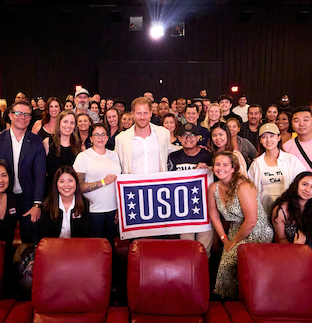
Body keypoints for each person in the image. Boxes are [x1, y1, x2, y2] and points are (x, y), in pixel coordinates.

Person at [208, 152, 274, 299]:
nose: (220, 168)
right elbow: (214, 216)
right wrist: (225, 239)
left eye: (225, 164)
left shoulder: (243, 186)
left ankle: (242, 298)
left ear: (233, 168)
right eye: (217, 164)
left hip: (257, 230)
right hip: (235, 230)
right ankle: (229, 301)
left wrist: (234, 242)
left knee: (229, 263)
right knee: (226, 263)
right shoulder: (213, 188)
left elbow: (251, 221)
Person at [0, 101, 46, 244]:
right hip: (3, 197)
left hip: (28, 200)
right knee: (2, 242)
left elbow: (40, 174)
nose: (22, 117)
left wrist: (37, 204)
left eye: (27, 115)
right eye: (19, 113)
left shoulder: (36, 141)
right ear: (11, 116)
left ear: (30, 118)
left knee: (29, 242)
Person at [166, 123, 214, 254]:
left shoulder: (208, 156)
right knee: (186, 249)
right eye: (184, 136)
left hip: (205, 209)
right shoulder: (173, 157)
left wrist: (209, 169)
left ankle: (204, 274)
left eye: (192, 135)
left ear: (198, 137)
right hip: (183, 210)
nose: (188, 138)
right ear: (179, 138)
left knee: (204, 251)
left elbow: (218, 178)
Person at [73, 123, 121, 247]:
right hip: (93, 212)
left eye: (103, 134)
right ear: (91, 138)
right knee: (94, 248)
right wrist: (103, 182)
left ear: (107, 137)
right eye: (96, 135)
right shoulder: (83, 157)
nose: (100, 137)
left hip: (113, 211)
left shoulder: (114, 155)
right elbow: (79, 186)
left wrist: (120, 208)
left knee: (110, 248)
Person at [248, 123, 307, 215]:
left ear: (279, 137)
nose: (268, 140)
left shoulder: (291, 159)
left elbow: (303, 181)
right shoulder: (256, 164)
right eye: (264, 137)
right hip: (264, 210)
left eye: (272, 136)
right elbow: (251, 189)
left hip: (289, 209)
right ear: (260, 140)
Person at [115, 97, 180, 174]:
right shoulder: (121, 138)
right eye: (139, 113)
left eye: (145, 113)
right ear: (132, 114)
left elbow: (173, 149)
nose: (142, 117)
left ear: (151, 113)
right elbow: (113, 160)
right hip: (132, 184)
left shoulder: (163, 133)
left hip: (158, 184)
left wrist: (196, 151)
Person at [35, 166, 91, 244]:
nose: (66, 185)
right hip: (52, 249)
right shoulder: (48, 204)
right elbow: (43, 235)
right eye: (61, 181)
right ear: (56, 184)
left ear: (76, 182)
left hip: (77, 248)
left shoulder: (84, 204)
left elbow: (86, 235)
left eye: (70, 180)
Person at [43, 111, 80, 195]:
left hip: (72, 193)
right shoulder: (48, 142)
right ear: (59, 123)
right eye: (65, 121)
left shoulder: (79, 146)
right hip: (51, 193)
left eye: (72, 123)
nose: (68, 125)